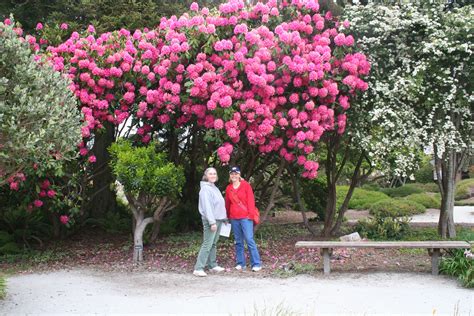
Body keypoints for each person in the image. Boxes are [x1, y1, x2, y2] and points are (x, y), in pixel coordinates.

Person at [225, 166, 262, 272]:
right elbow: (227, 203)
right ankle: (241, 263)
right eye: (232, 173)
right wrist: (227, 216)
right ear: (230, 175)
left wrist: (250, 215)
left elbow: (251, 201)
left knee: (249, 240)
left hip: (246, 217)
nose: (234, 175)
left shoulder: (246, 185)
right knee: (238, 241)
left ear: (239, 174)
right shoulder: (228, 188)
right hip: (234, 218)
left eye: (236, 173)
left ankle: (256, 263)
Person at [193, 167, 227, 277]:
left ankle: (212, 265)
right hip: (211, 220)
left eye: (214, 173)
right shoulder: (205, 189)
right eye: (210, 174)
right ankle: (198, 268)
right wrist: (212, 222)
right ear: (206, 176)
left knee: (213, 243)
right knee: (207, 244)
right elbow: (207, 207)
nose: (213, 175)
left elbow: (219, 205)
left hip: (218, 219)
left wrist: (224, 218)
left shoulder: (214, 188)